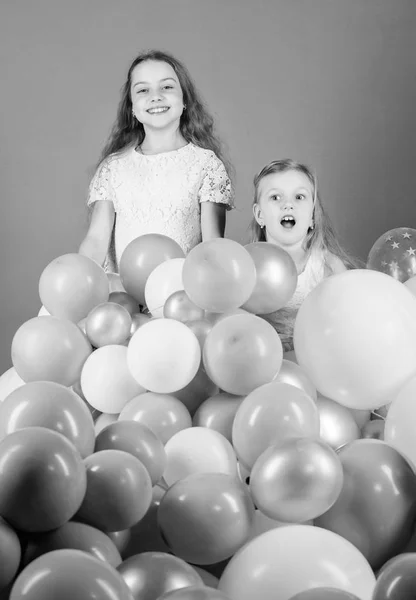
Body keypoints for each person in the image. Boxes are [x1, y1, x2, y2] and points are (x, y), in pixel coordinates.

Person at [79, 50, 234, 271]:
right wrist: (81, 278)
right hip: (124, 296)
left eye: (167, 87)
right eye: (143, 90)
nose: (156, 96)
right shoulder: (113, 168)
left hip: (180, 295)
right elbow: (95, 241)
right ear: (132, 107)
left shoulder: (206, 165)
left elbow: (212, 245)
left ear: (185, 101)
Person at [250, 158, 358, 351]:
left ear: (312, 216)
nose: (288, 205)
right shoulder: (248, 266)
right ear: (260, 215)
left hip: (318, 363)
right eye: (275, 197)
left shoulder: (328, 266)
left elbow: (349, 322)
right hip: (266, 367)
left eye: (299, 197)